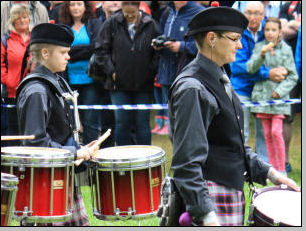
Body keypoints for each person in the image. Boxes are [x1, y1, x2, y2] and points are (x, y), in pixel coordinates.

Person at [167, 6, 300, 226]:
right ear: (211, 38)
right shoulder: (192, 87)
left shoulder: (219, 75)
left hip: (226, 193)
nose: (240, 44)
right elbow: (186, 162)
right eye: (235, 38)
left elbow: (230, 142)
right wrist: (207, 215)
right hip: (211, 199)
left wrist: (272, 173)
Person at [16, 23, 98, 226]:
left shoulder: (55, 81)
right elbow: (36, 145)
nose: (68, 57)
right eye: (63, 52)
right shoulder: (37, 90)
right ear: (45, 53)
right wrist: (73, 153)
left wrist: (78, 148)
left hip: (59, 177)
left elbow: (57, 133)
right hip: (45, 185)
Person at [95, 1, 159, 146]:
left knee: (142, 123)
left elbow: (157, 52)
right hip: (118, 85)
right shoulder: (111, 23)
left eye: (133, 14)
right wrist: (111, 71)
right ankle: (124, 158)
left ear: (139, 9)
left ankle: (145, 158)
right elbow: (100, 50)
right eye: (126, 13)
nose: (129, 17)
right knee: (122, 123)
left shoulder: (151, 24)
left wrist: (151, 71)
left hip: (144, 84)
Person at [230, 1, 280, 163]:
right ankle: (238, 165)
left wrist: (272, 73)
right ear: (243, 13)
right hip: (241, 88)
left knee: (264, 131)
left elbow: (276, 60)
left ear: (263, 14)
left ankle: (263, 167)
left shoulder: (270, 30)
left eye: (257, 13)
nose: (253, 17)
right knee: (240, 130)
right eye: (248, 13)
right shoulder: (236, 31)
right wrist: (267, 74)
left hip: (263, 89)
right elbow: (238, 67)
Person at [247, 17, 298, 174]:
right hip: (262, 99)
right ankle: (273, 171)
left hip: (279, 101)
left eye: (273, 30)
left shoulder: (286, 50)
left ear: (280, 32)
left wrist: (280, 91)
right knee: (267, 135)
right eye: (267, 30)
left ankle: (281, 169)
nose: (270, 33)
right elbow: (250, 69)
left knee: (276, 132)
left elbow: (293, 76)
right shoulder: (259, 47)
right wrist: (260, 55)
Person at [152, 1, 204, 135]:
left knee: (189, 125)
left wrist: (181, 46)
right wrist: (160, 43)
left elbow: (206, 46)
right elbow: (164, 35)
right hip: (167, 75)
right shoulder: (168, 12)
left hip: (189, 78)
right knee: (172, 127)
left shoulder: (199, 13)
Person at [58, 1, 101, 145]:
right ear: (67, 8)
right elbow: (61, 49)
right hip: (69, 81)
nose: (76, 8)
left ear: (85, 7)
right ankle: (76, 156)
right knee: (71, 122)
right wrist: (84, 50)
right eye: (72, 5)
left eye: (79, 4)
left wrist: (72, 52)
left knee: (90, 122)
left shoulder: (94, 24)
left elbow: (95, 47)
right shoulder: (63, 27)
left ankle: (91, 158)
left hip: (90, 80)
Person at [1, 4, 31, 146]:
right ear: (13, 21)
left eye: (24, 17)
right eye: (18, 18)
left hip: (32, 91)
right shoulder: (6, 40)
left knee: (29, 129)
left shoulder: (35, 39)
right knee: (12, 131)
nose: (22, 20)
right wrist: (8, 81)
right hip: (12, 93)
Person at [279, 1, 301, 173]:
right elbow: (282, 31)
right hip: (291, 69)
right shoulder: (288, 6)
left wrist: (294, 24)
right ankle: (285, 161)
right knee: (286, 116)